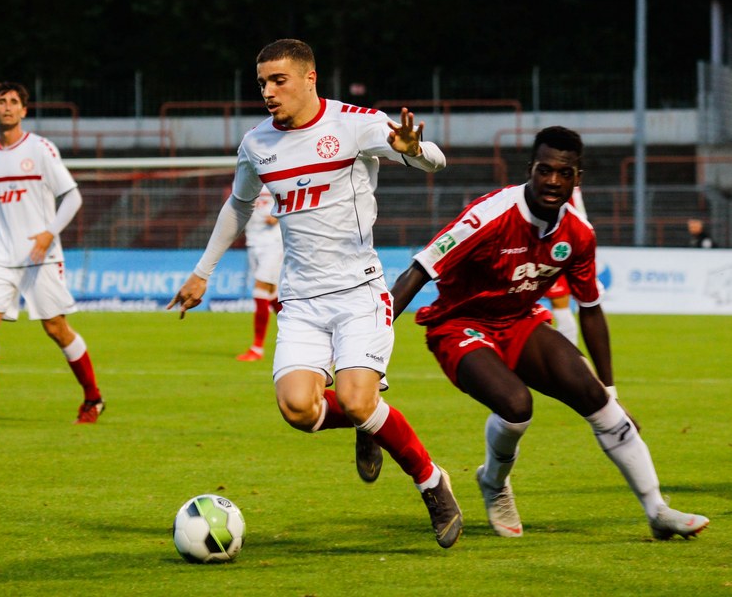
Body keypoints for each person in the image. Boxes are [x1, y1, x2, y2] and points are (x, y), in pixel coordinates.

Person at [169, 39, 463, 548]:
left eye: (278, 80)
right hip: (301, 301)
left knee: (355, 398)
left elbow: (433, 160)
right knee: (298, 410)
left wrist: (413, 149)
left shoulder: (354, 124)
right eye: (262, 82)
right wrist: (202, 272)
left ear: (310, 79)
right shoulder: (256, 144)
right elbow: (238, 206)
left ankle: (431, 482)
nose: (267, 91)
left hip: (359, 292)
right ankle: (369, 423)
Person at [389, 126, 709, 541]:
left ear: (578, 178)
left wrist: (610, 391)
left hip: (519, 320)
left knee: (596, 399)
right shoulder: (489, 216)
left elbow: (590, 309)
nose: (553, 181)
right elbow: (418, 271)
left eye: (564, 173)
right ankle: (494, 482)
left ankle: (657, 510)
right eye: (545, 170)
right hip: (458, 324)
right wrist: (370, 347)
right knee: (516, 405)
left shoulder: (579, 233)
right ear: (530, 170)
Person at [0, 81, 105, 427]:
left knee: (56, 328)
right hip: (0, 255)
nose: (8, 106)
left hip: (39, 255)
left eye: (14, 101)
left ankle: (93, 397)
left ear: (24, 110)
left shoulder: (41, 149)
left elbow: (72, 197)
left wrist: (49, 233)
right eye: (2, 101)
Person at [236, 186, 283, 361]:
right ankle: (302, 333)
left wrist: (278, 216)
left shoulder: (274, 176)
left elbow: (292, 199)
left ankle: (257, 347)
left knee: (260, 289)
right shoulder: (244, 178)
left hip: (273, 243)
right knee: (271, 294)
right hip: (253, 243)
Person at [543, 186, 586, 345]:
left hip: (557, 249)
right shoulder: (571, 188)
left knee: (560, 304)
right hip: (556, 248)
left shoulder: (566, 190)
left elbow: (579, 218)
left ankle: (569, 352)